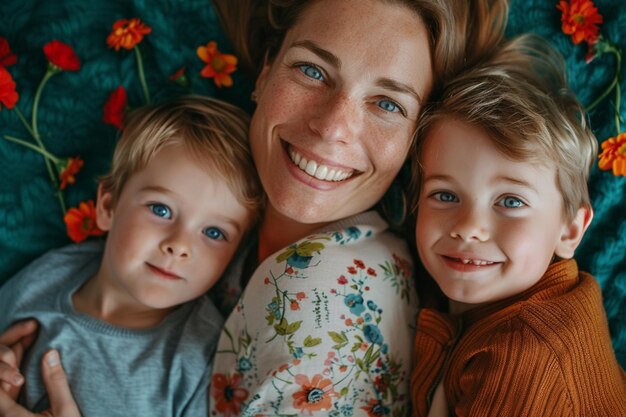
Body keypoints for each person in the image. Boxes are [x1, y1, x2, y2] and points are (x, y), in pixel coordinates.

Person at [0, 0, 509, 415]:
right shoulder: (236, 222)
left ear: (414, 142)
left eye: (388, 104)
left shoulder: (315, 300)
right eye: (312, 70)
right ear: (265, 74)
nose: (333, 127)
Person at [0, 96, 264, 416]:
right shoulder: (48, 276)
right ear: (108, 207)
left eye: (214, 233)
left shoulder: (203, 358)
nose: (179, 245)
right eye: (161, 209)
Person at [409, 34, 626, 417]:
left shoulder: (528, 356)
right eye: (444, 195)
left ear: (570, 230)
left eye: (511, 202)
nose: (469, 227)